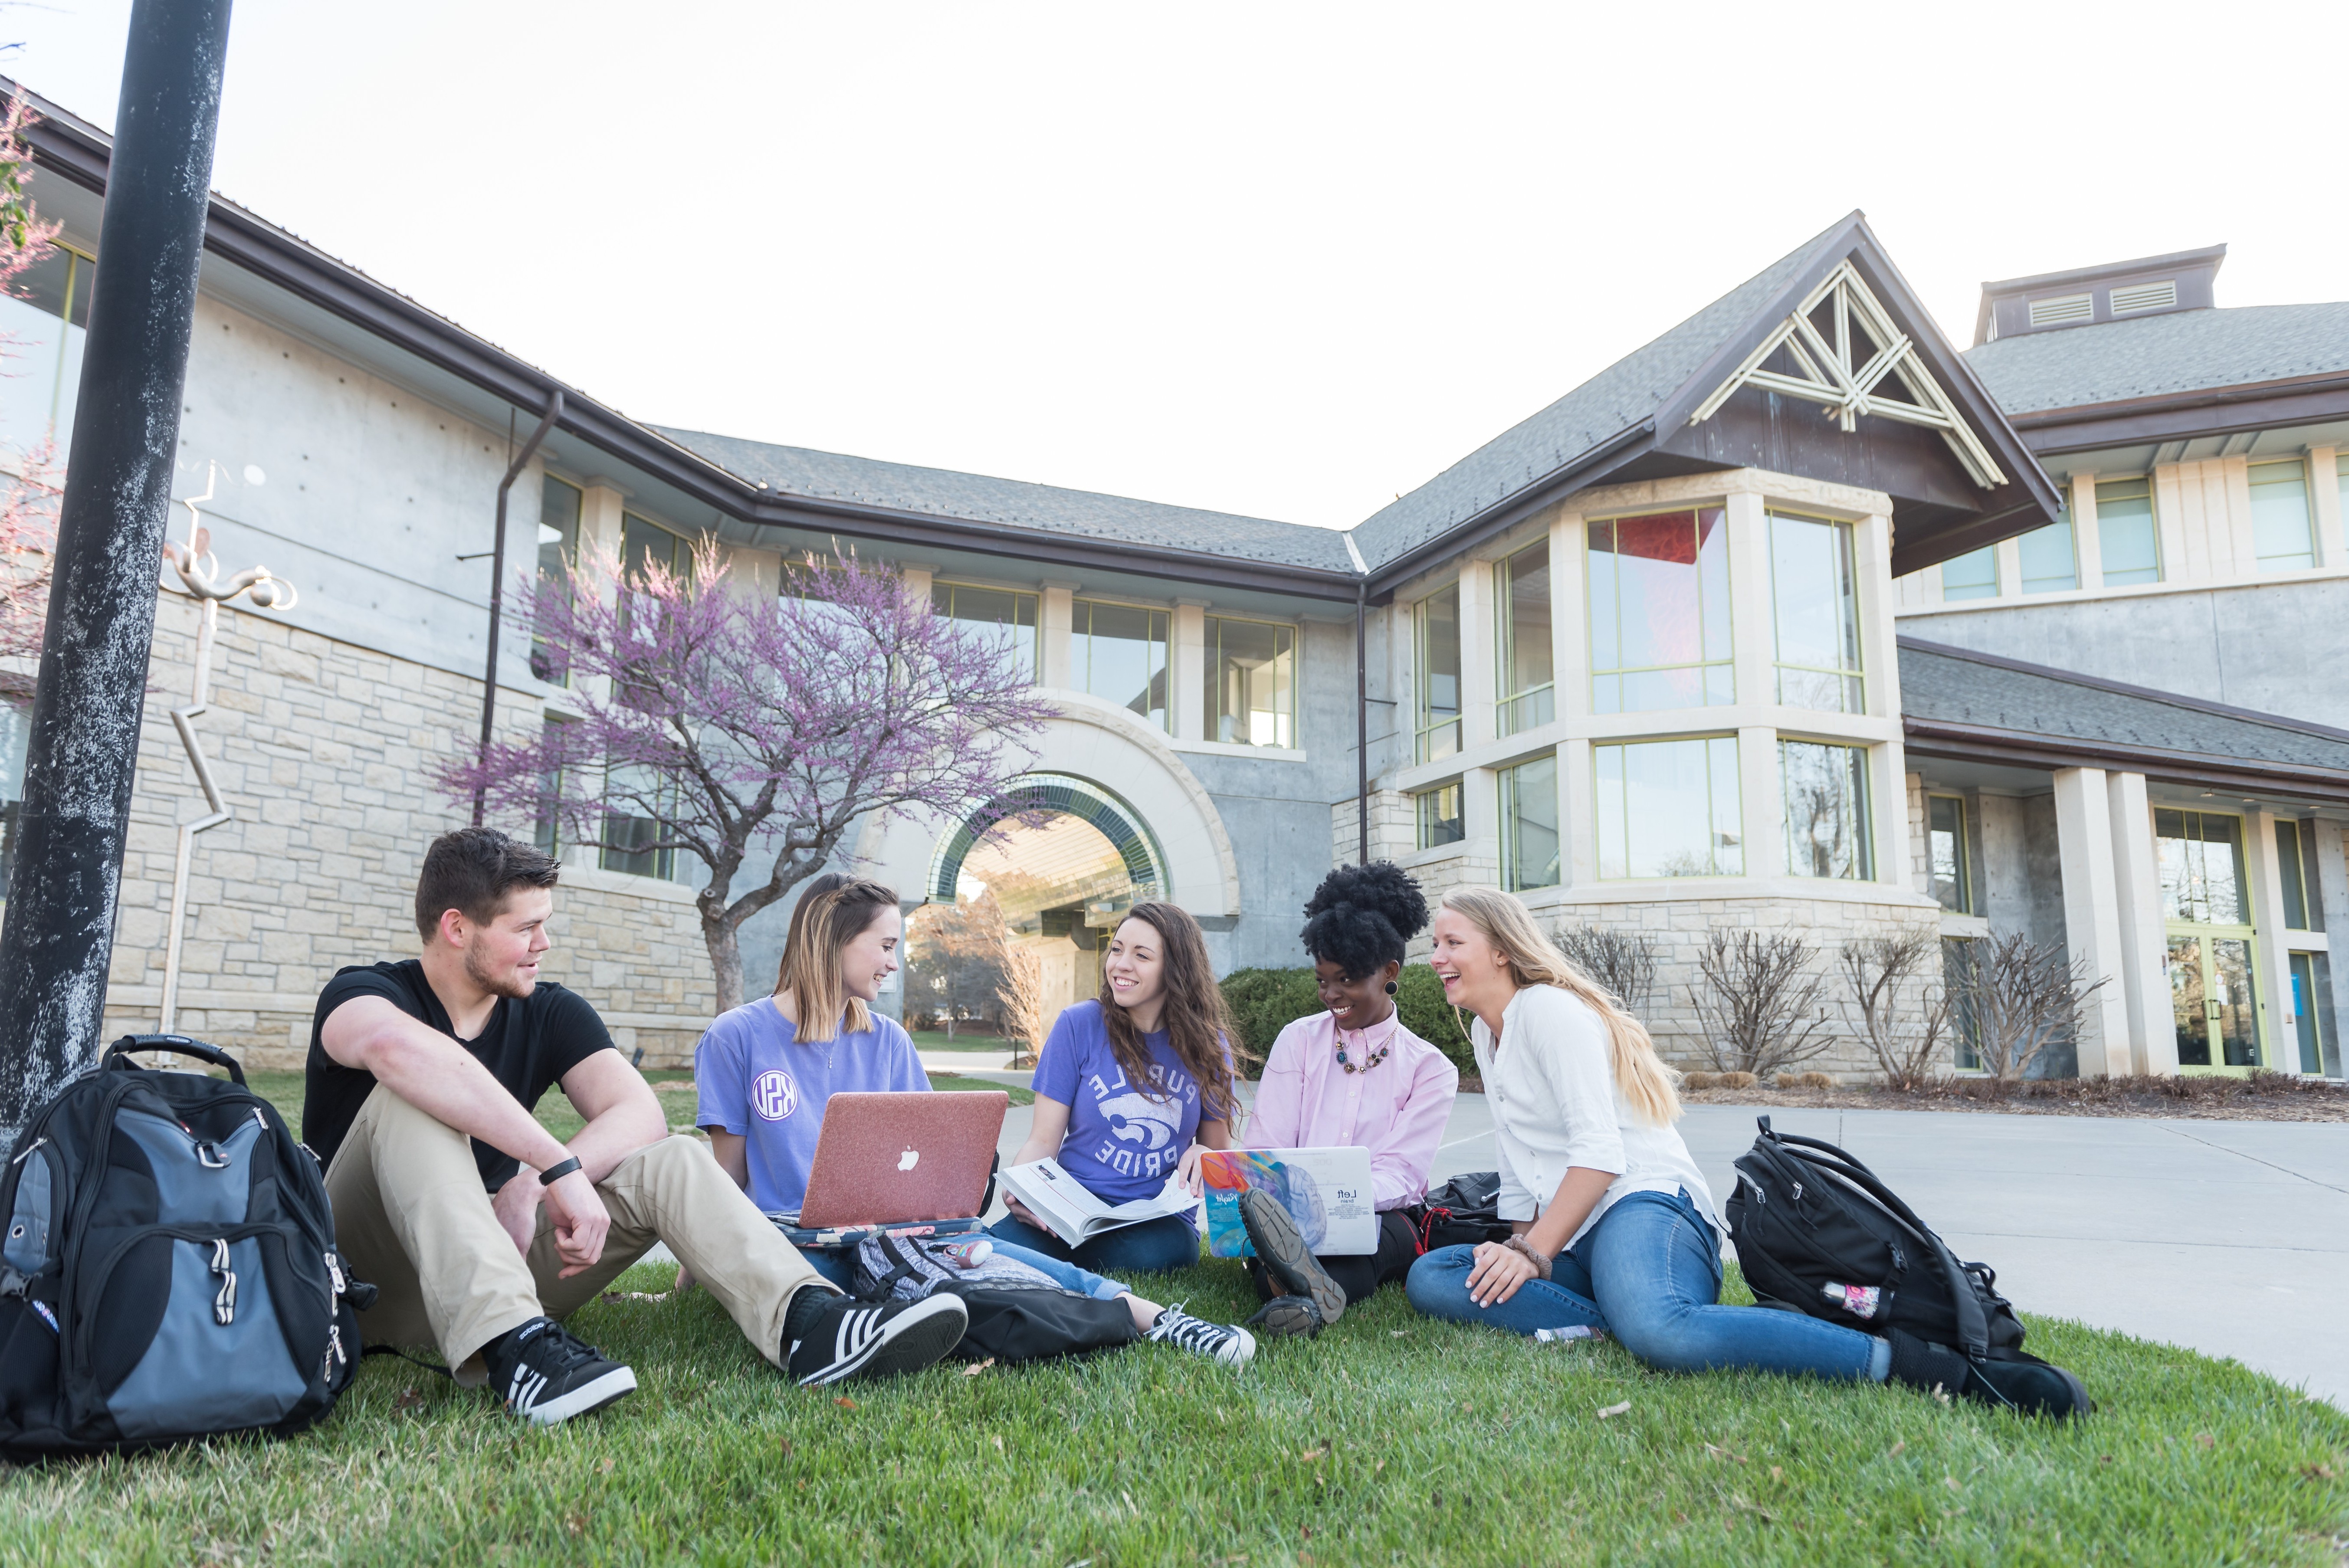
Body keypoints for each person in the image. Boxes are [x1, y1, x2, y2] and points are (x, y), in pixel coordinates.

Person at [305, 829, 967, 1426]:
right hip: (366, 1282)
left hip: (497, 1257)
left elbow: (640, 1114)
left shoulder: (548, 1009)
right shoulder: (364, 993)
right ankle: (520, 1351)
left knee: (672, 1155)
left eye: (547, 925)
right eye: (526, 927)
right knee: (408, 1095)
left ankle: (810, 1324)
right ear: (456, 927)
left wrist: (530, 1184)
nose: (544, 943)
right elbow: (400, 1053)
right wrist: (554, 1165)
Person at [1401, 887, 2090, 1417]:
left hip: (1646, 1207)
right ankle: (1626, 1320)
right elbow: (1521, 1168)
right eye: (1435, 943)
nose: (1435, 956)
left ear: (1499, 949)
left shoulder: (1547, 1010)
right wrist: (1515, 1246)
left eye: (1451, 941)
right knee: (1435, 1276)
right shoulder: (1489, 1037)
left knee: (1665, 1333)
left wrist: (1529, 1256)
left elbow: (1600, 1154)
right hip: (1576, 1231)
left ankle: (1924, 1366)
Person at [695, 875, 1253, 1366]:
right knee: (846, 1290)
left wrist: (945, 1211)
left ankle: (1162, 1321)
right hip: (796, 1243)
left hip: (890, 1234)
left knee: (988, 1255)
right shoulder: (735, 1037)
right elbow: (724, 1185)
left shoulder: (887, 1040)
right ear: (833, 940)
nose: (894, 962)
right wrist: (696, 1273)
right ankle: (882, 1325)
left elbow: (919, 1164)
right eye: (886, 945)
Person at [1217, 862, 1457, 1338]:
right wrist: (1291, 1204)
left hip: (1386, 1214)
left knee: (1362, 1252)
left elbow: (1402, 1174)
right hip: (1289, 1210)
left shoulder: (1430, 1067)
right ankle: (1301, 1289)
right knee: (1296, 1246)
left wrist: (1330, 1204)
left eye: (1345, 979)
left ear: (1389, 971)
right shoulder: (1298, 1040)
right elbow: (1269, 1144)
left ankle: (1288, 1286)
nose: (1331, 994)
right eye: (1321, 980)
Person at [991, 902, 1237, 1278]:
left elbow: (1218, 1154)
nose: (1121, 964)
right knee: (995, 1247)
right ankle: (1065, 1251)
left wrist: (1204, 1153)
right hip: (1070, 1209)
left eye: (1142, 955)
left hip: (1154, 1223)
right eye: (1117, 950)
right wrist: (1024, 1188)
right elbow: (1042, 1142)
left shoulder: (1208, 1046)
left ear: (1176, 969)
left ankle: (1062, 1261)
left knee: (1154, 1253)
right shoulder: (1079, 1025)